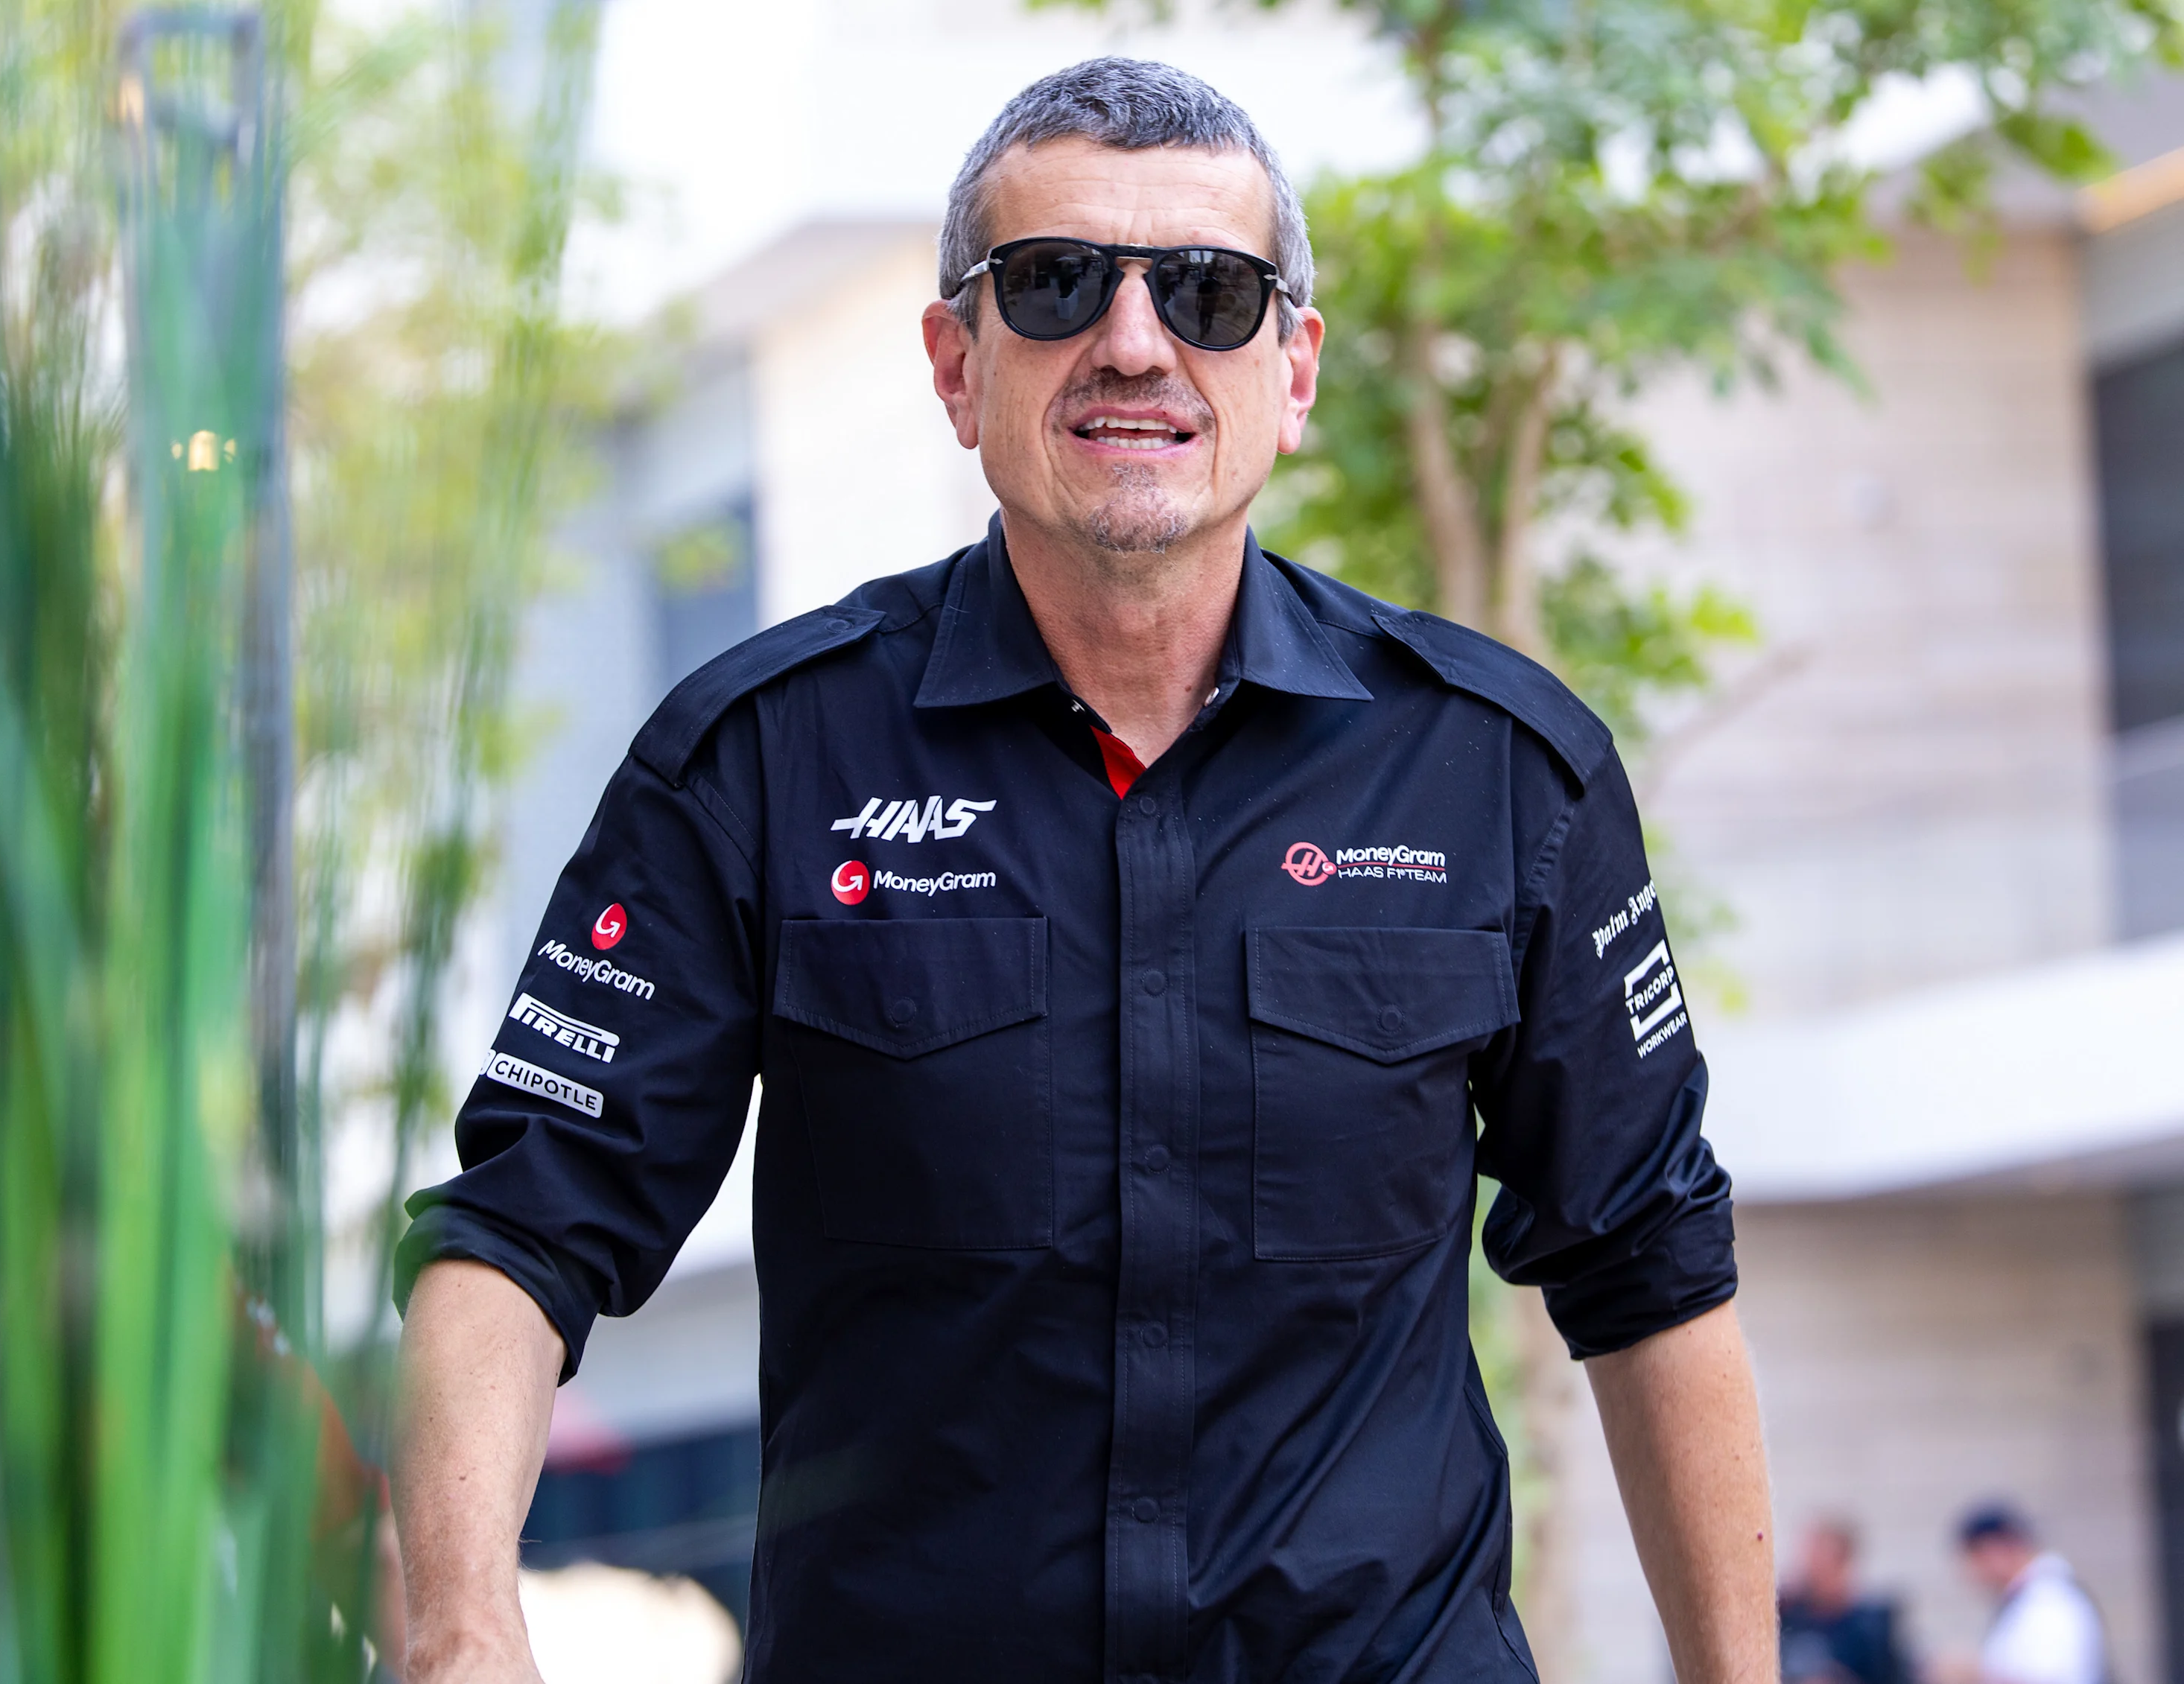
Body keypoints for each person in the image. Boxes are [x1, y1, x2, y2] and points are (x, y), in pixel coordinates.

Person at [390, 57, 1771, 1684]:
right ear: (954, 361)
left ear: (1294, 366)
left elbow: (1653, 1270)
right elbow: (521, 1227)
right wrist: (460, 1623)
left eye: (1208, 289)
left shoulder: (1501, 765)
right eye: (1054, 285)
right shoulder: (756, 760)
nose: (1135, 340)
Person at [1947, 1504, 2107, 1684]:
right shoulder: (2026, 1599)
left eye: (1973, 1558)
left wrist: (1975, 1676)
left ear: (1998, 1549)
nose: (1969, 1573)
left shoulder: (2050, 1601)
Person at [1778, 1516, 1909, 1684]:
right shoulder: (1787, 1615)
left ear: (1843, 1564)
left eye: (1820, 1561)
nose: (1809, 1569)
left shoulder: (1871, 1629)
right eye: (1807, 1557)